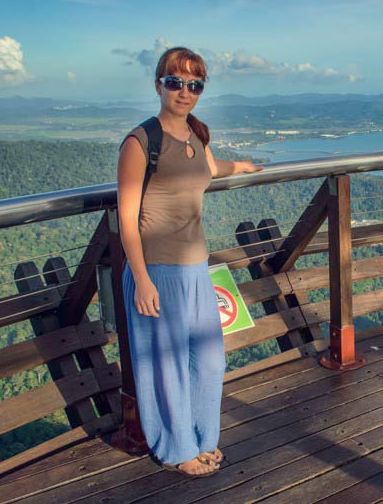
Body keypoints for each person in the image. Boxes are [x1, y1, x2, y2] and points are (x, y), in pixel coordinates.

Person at [116, 47, 263, 477]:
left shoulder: (196, 135)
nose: (184, 91)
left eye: (194, 84)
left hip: (197, 269)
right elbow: (127, 221)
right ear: (158, 84)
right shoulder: (140, 142)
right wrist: (141, 279)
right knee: (167, 366)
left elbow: (210, 169)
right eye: (175, 82)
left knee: (209, 361)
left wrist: (244, 166)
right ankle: (176, 449)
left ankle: (203, 440)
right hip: (157, 271)